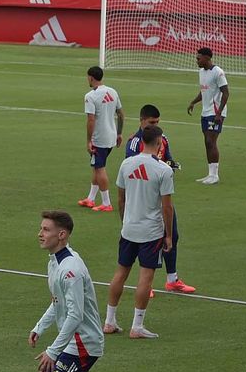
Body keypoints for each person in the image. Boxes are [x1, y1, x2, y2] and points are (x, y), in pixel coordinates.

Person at [25, 210, 103, 372]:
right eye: (41, 228)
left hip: (83, 344)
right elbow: (58, 303)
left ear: (62, 234)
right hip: (71, 340)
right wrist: (39, 326)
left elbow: (75, 315)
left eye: (46, 229)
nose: (40, 233)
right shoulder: (55, 261)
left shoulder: (71, 269)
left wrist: (53, 350)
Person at [104, 124, 175, 340]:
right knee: (146, 276)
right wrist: (169, 235)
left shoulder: (126, 164)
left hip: (129, 228)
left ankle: (109, 321)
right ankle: (137, 325)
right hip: (150, 231)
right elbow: (167, 207)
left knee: (120, 273)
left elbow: (121, 198)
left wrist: (125, 221)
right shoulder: (163, 170)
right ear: (159, 142)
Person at [125, 105, 195, 294]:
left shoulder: (162, 139)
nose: (155, 126)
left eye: (157, 122)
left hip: (161, 197)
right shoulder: (134, 143)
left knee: (172, 234)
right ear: (141, 121)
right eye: (151, 122)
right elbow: (134, 168)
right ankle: (145, 284)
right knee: (146, 240)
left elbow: (168, 159)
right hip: (143, 200)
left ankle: (172, 279)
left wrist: (171, 166)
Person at [78, 66, 122, 213]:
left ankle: (106, 203)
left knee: (99, 168)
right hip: (111, 136)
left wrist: (89, 140)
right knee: (96, 167)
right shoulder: (113, 91)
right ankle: (90, 198)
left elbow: (91, 120)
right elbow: (121, 114)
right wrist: (119, 133)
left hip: (99, 139)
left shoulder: (90, 96)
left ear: (91, 77)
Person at [186, 47, 229, 184]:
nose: (196, 61)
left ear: (207, 58)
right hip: (205, 112)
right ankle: (210, 174)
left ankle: (215, 175)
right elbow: (203, 91)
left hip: (215, 112)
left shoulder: (218, 72)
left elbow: (226, 93)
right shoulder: (201, 72)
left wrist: (219, 113)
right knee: (207, 142)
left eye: (199, 58)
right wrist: (193, 102)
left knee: (211, 141)